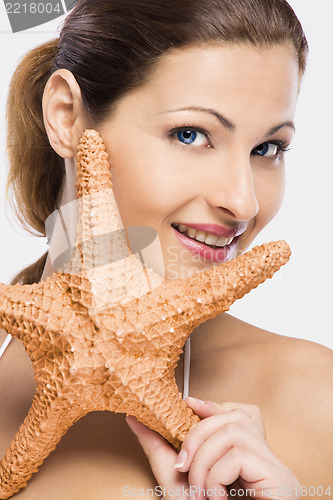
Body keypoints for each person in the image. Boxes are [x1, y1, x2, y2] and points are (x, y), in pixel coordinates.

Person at [1, 0, 333, 498]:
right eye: (190, 134)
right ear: (66, 117)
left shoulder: (318, 402)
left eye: (268, 149)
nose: (242, 202)